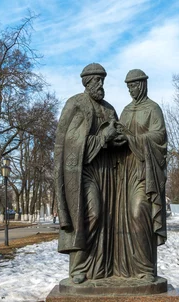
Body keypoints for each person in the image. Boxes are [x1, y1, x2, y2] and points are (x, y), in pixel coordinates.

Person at [54, 63, 120, 284]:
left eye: (103, 80)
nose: (101, 84)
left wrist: (117, 139)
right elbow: (69, 142)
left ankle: (102, 266)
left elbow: (116, 141)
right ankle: (78, 267)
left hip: (107, 172)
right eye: (97, 80)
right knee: (91, 214)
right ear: (87, 82)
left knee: (107, 220)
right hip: (81, 172)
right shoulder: (75, 104)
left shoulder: (110, 109)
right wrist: (102, 139)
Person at [113, 69, 168, 282]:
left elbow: (159, 137)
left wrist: (132, 137)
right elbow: (121, 135)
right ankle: (126, 269)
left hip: (144, 171)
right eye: (128, 86)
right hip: (125, 172)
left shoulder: (153, 109)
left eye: (134, 85)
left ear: (143, 85)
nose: (131, 90)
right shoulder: (126, 110)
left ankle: (146, 268)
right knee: (122, 219)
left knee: (139, 213)